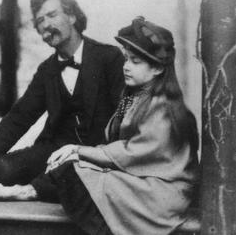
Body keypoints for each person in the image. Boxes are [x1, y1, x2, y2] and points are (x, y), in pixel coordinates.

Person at [32, 17, 199, 235]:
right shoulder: (137, 97)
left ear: (158, 69)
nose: (126, 67)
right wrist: (81, 155)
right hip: (146, 182)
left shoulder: (163, 106)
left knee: (73, 175)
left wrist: (79, 150)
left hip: (164, 191)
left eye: (135, 62)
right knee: (70, 172)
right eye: (126, 59)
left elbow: (135, 152)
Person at [0, 0, 125, 192]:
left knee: (74, 178)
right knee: (1, 170)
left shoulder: (108, 57)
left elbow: (124, 114)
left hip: (97, 152)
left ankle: (51, 185)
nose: (46, 25)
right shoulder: (47, 70)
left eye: (52, 15)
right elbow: (20, 115)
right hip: (54, 149)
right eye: (40, 21)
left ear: (71, 16)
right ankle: (51, 184)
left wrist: (105, 154)